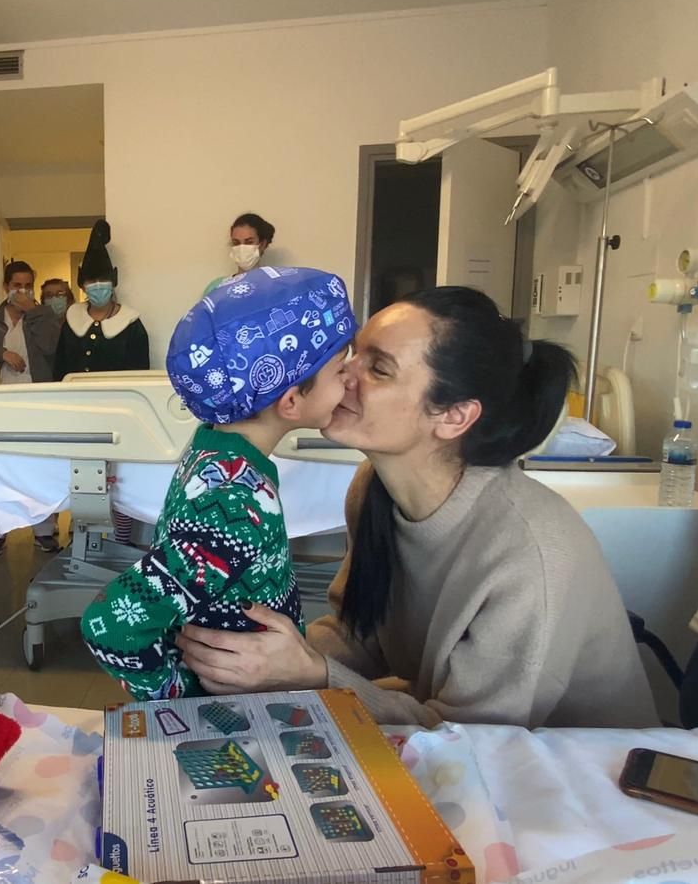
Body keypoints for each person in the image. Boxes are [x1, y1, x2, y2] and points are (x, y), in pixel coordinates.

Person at [176, 286, 658, 729]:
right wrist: (248, 654)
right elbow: (357, 633)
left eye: (379, 368)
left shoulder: (532, 553)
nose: (344, 376)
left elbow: (470, 737)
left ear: (453, 416)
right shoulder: (373, 489)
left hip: (576, 777)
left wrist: (310, 674)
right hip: (448, 731)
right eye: (353, 354)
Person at [82, 268, 356, 700]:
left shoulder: (216, 444)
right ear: (290, 401)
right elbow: (112, 624)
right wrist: (182, 702)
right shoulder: (234, 500)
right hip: (235, 706)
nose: (351, 381)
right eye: (341, 370)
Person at [0, 260, 61, 556]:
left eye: (26, 285)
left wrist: (33, 312)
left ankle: (44, 531)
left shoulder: (44, 315)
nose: (21, 290)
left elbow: (51, 347)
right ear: (5, 287)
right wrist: (1, 352)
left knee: (41, 464)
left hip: (38, 400)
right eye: (15, 285)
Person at [54, 219, 150, 380]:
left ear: (113, 282)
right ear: (82, 285)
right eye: (91, 281)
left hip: (118, 402)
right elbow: (59, 370)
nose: (97, 285)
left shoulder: (131, 325)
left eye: (103, 279)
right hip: (74, 400)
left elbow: (139, 375)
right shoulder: (71, 322)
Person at [203, 212, 275, 297]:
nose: (241, 248)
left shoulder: (274, 283)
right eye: (236, 243)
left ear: (262, 244)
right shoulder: (217, 287)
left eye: (249, 242)